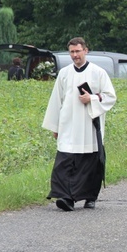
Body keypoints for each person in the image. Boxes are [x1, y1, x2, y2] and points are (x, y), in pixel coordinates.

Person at [42, 37, 117, 211]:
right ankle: (66, 197)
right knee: (65, 161)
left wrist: (91, 98)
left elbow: (110, 96)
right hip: (68, 124)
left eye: (78, 51)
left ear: (86, 51)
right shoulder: (64, 73)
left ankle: (90, 197)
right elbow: (56, 100)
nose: (75, 55)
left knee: (89, 163)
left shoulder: (98, 72)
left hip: (89, 125)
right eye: (72, 52)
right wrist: (55, 126)